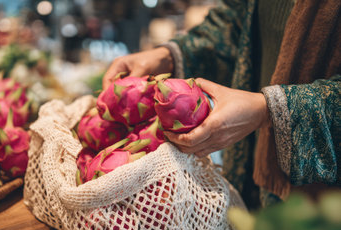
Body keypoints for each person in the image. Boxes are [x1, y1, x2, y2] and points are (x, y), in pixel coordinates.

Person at [102, 0, 340, 208]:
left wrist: (270, 110)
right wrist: (168, 55)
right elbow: (235, 23)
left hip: (318, 209)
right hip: (247, 171)